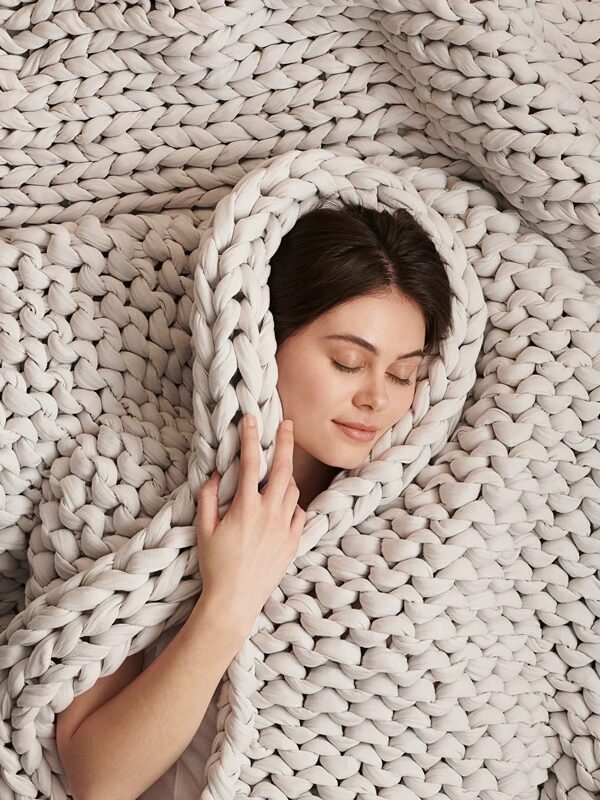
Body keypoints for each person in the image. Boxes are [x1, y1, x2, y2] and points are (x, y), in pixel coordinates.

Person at [54, 198, 454, 800]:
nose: (377, 398)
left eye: (402, 374)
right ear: (263, 340)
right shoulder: (126, 483)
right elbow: (98, 779)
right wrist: (229, 600)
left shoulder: (420, 511)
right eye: (349, 362)